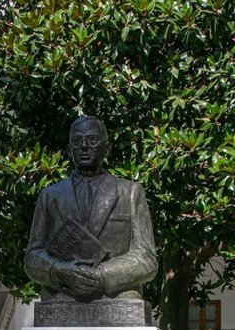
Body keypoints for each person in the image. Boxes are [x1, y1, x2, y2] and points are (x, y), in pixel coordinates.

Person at [24, 116, 157, 303]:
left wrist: (102, 275)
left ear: (107, 149)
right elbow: (32, 258)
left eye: (92, 140)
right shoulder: (50, 196)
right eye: (77, 141)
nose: (84, 146)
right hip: (64, 297)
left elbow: (147, 258)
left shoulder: (130, 193)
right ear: (70, 151)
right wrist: (61, 271)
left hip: (116, 297)